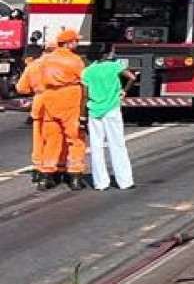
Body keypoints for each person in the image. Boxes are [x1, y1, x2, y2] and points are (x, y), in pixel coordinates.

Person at [15, 28, 87, 189]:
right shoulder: (75, 60)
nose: (78, 43)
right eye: (76, 41)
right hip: (69, 100)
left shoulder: (42, 62)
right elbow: (85, 80)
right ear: (69, 43)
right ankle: (75, 174)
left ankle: (45, 175)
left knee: (51, 139)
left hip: (48, 101)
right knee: (75, 139)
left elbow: (24, 86)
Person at [81, 44, 135, 190]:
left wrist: (82, 116)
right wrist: (124, 91)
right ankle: (125, 181)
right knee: (117, 144)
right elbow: (131, 77)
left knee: (96, 146)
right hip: (112, 109)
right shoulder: (115, 66)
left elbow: (85, 95)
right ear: (105, 55)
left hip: (94, 111)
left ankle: (100, 183)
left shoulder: (87, 72)